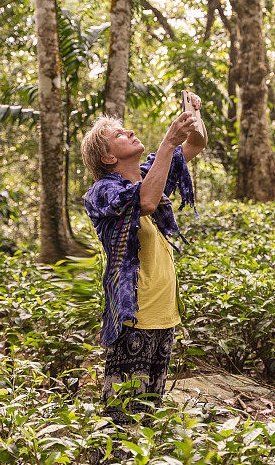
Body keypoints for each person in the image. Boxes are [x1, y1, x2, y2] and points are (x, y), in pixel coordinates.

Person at [80, 91, 207, 431]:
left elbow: (195, 145)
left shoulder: (152, 172)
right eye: (117, 136)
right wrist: (168, 140)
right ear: (108, 157)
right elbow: (147, 202)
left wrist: (192, 114)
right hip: (134, 318)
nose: (129, 133)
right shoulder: (102, 191)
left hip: (164, 316)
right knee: (121, 420)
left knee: (147, 417)